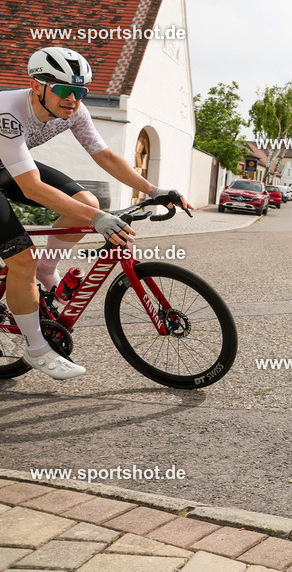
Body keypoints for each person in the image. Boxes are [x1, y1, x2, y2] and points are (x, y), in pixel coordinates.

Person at [0, 47, 192, 380]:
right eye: (63, 89)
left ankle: (48, 269)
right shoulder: (8, 112)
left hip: (5, 166)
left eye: (80, 91)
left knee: (87, 200)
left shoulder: (73, 110)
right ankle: (36, 348)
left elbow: (105, 156)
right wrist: (96, 219)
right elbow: (31, 188)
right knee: (21, 259)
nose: (72, 98)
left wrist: (154, 191)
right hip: (12, 171)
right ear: (37, 85)